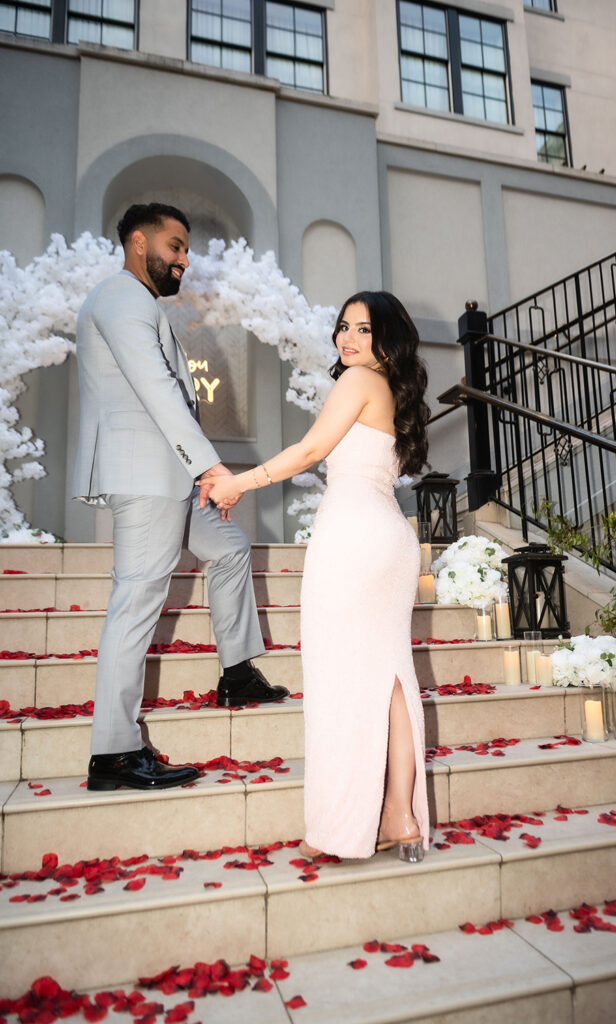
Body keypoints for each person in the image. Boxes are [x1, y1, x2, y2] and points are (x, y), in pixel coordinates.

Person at [201, 291, 430, 861]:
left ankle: (344, 826)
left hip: (353, 538)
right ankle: (399, 813)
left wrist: (237, 484)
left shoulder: (357, 381)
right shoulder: (394, 392)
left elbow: (310, 451)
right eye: (342, 326)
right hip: (391, 538)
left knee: (342, 682)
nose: (347, 339)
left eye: (363, 328)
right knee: (392, 679)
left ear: (387, 337)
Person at [72, 202, 288, 792]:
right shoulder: (120, 297)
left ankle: (237, 672)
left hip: (169, 477)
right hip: (146, 477)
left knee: (229, 547)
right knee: (136, 602)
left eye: (186, 249)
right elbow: (157, 390)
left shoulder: (135, 302)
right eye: (175, 246)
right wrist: (212, 467)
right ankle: (113, 752)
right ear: (139, 243)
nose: (184, 260)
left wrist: (196, 473)